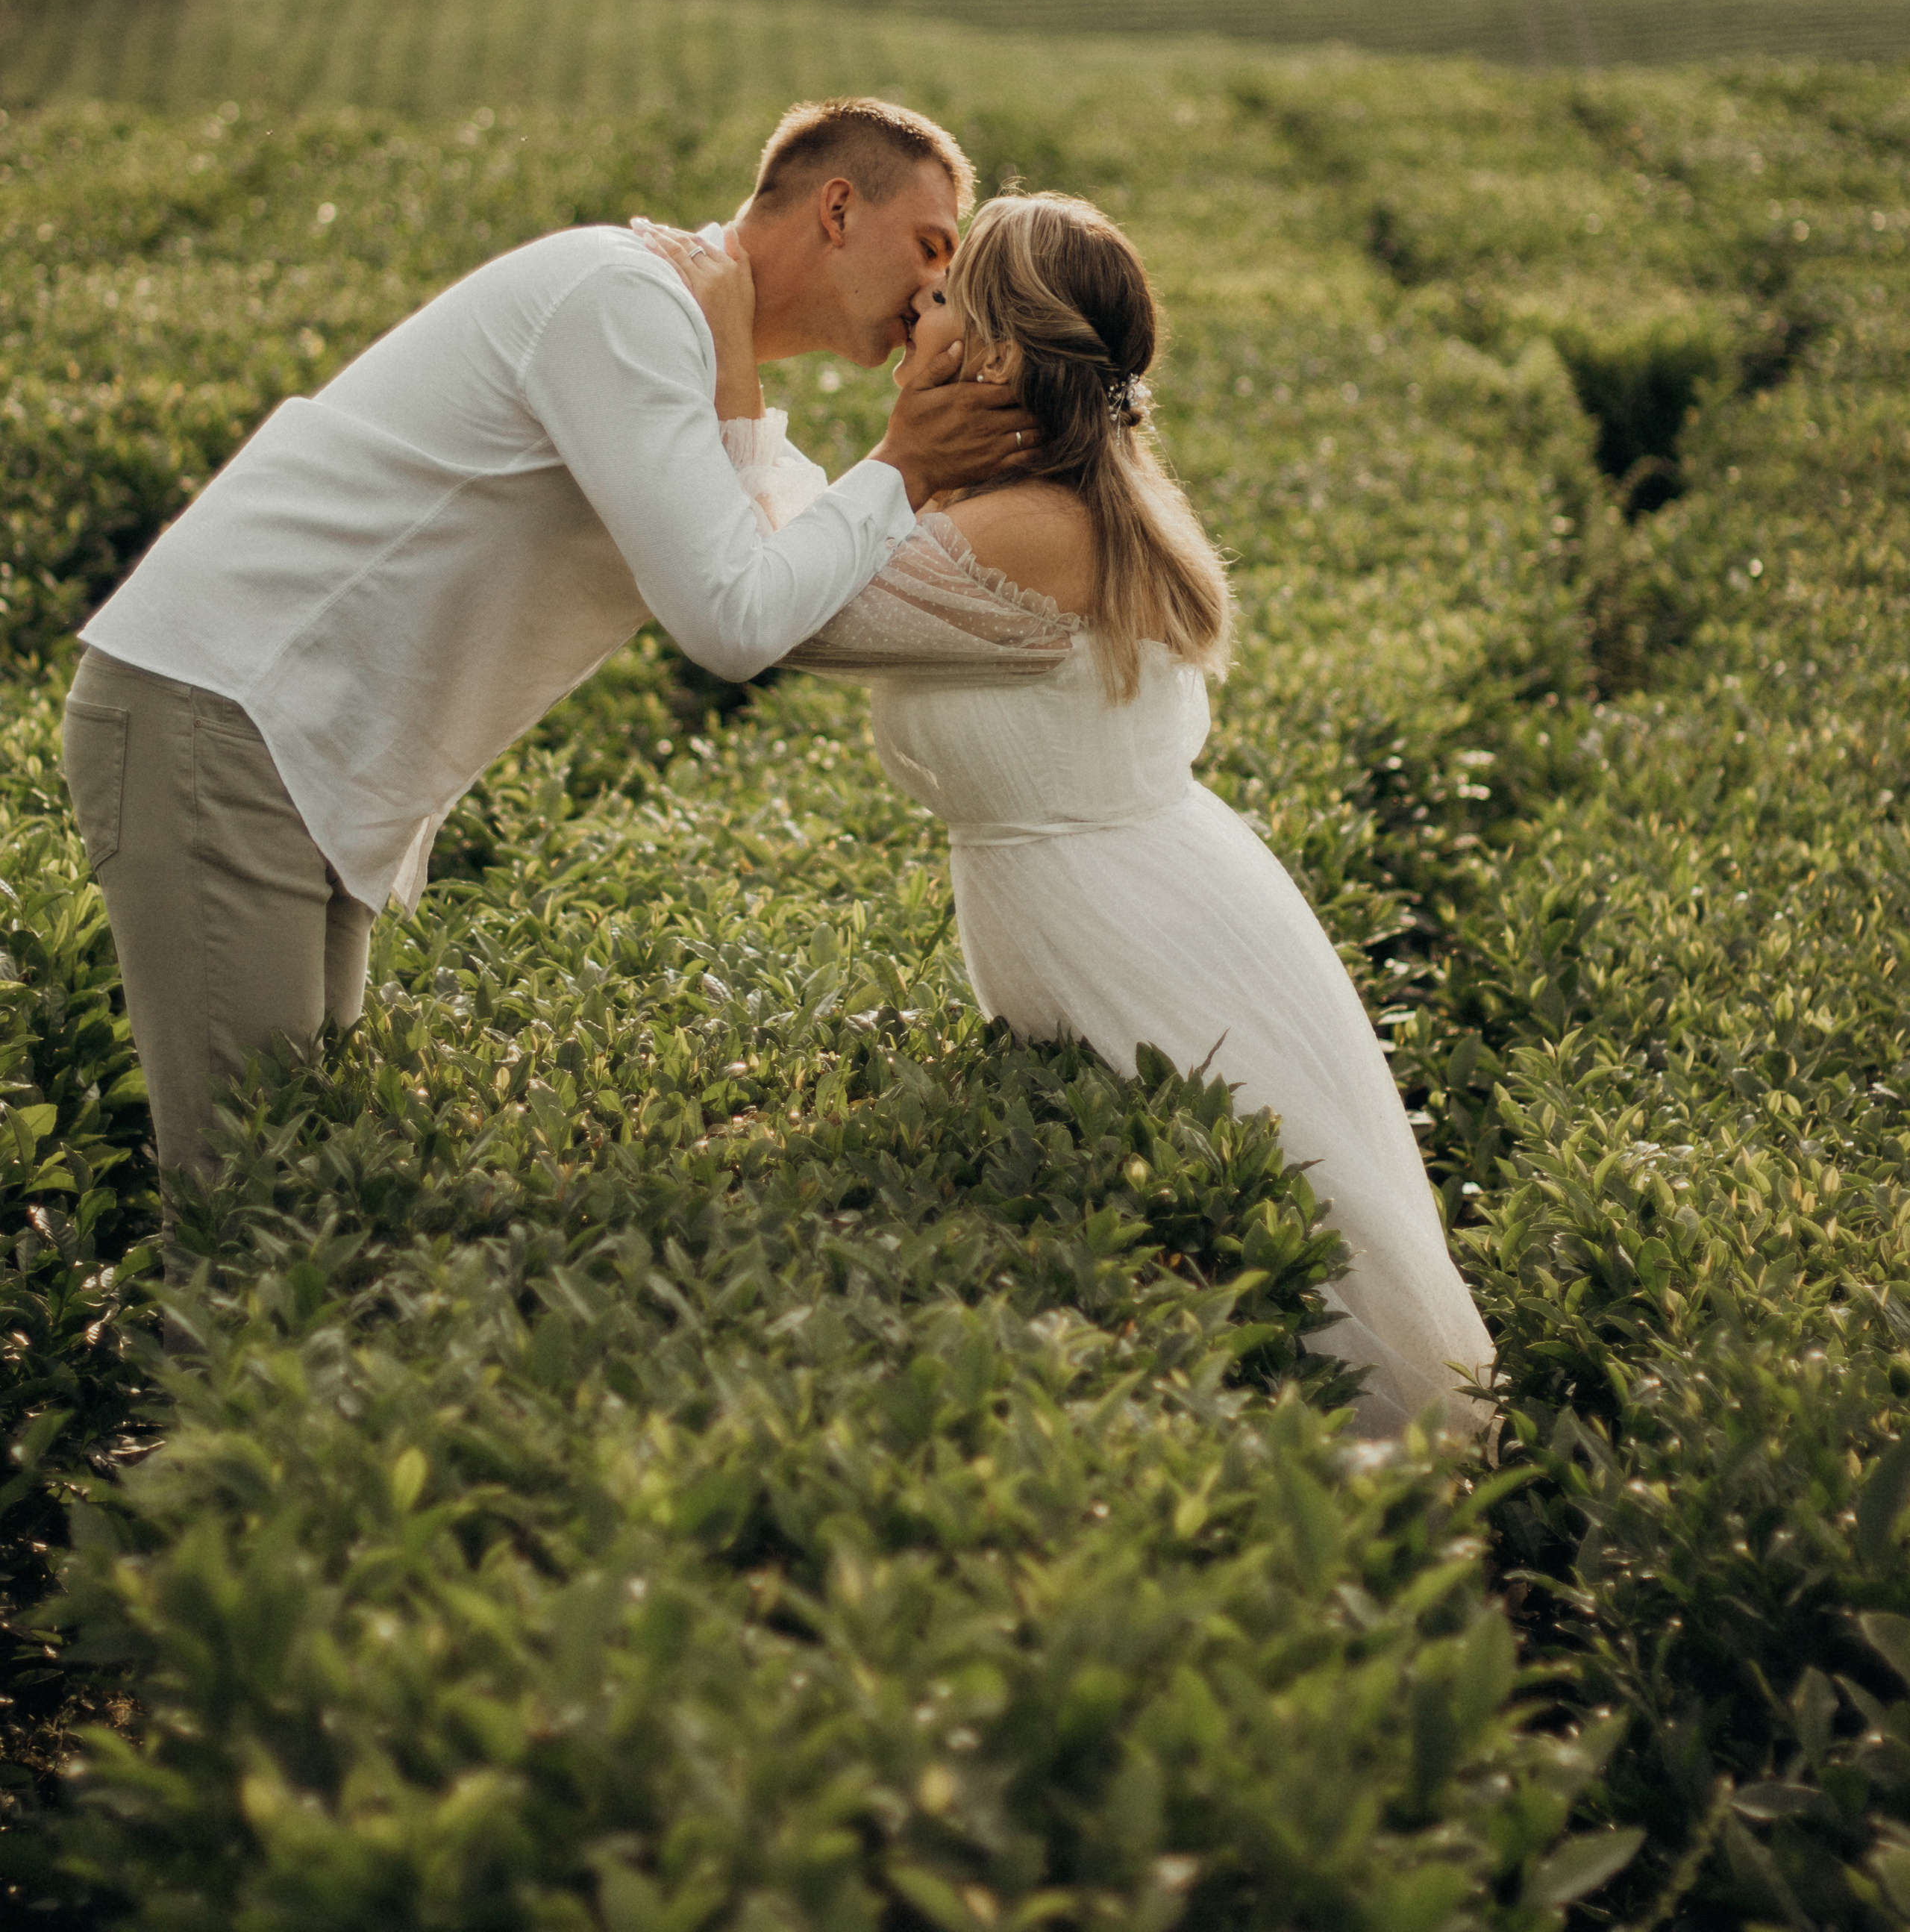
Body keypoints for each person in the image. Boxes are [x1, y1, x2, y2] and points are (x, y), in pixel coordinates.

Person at [645, 188, 1494, 1438]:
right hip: (1143, 895)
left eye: (940, 296)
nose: (912, 308)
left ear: (988, 354)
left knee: (1282, 1283)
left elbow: (779, 610)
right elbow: (827, 548)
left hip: (1129, 927)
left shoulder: (1027, 531)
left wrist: (731, 365)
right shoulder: (1054, 498)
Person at [61, 98, 1033, 1181]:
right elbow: (735, 619)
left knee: (305, 1189)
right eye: (934, 248)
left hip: (284, 753)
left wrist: (768, 399)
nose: (937, 296)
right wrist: (902, 462)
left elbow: (794, 560)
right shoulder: (626, 303)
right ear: (840, 208)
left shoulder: (686, 342)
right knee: (251, 1201)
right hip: (222, 717)